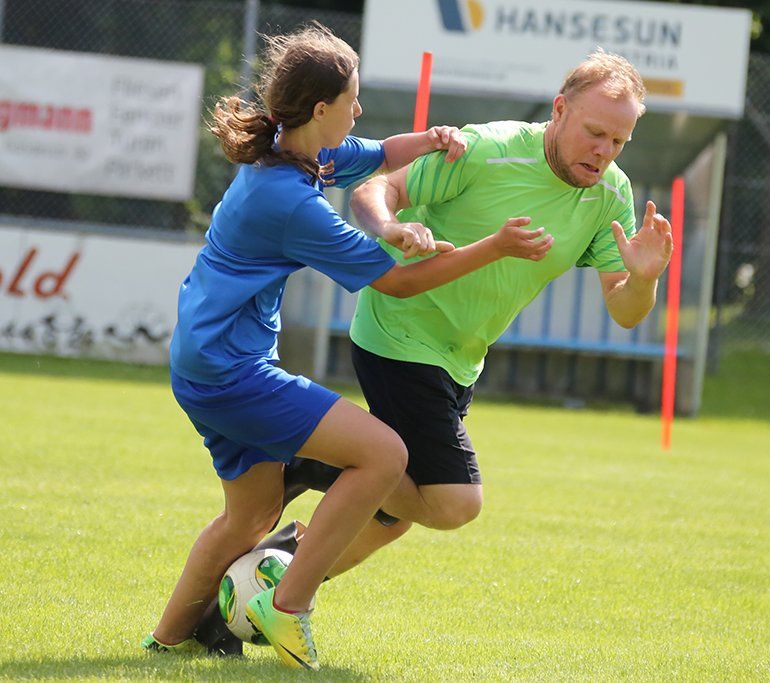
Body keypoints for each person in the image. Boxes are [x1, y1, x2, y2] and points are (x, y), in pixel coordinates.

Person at [142, 22, 551, 671]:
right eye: (352, 99)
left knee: (249, 520)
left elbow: (382, 153)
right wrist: (495, 246)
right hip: (231, 373)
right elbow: (399, 282)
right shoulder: (290, 201)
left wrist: (433, 139)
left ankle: (168, 639)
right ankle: (289, 605)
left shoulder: (299, 154)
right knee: (384, 455)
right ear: (320, 109)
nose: (358, 110)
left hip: (202, 365)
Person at [272, 49, 673, 578]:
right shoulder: (489, 150)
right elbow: (379, 186)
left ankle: (270, 583)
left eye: (618, 142)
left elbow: (624, 310)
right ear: (559, 110)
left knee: (392, 515)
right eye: (595, 132)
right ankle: (321, 463)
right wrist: (390, 226)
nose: (604, 152)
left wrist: (643, 279)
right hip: (401, 332)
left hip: (462, 359)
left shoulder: (611, 194)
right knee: (453, 501)